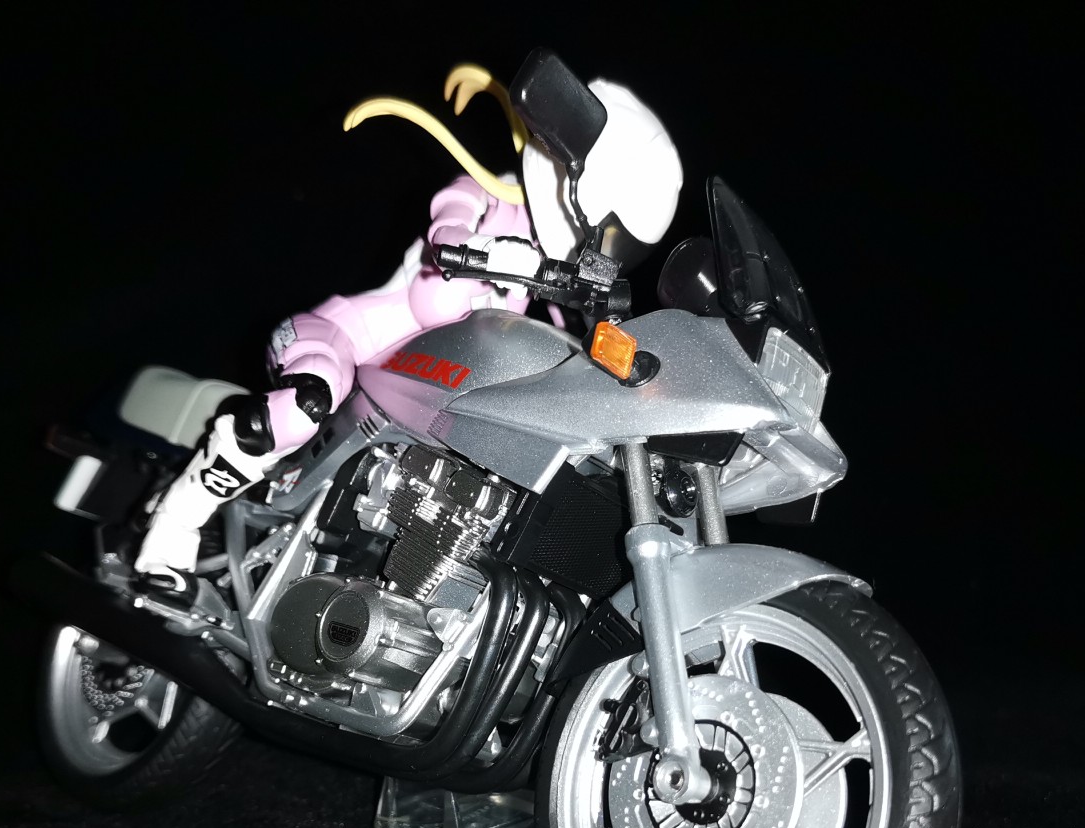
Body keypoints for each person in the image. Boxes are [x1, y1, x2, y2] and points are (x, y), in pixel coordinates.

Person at [133, 65, 683, 593]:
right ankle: (172, 527)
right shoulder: (489, 197)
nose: (607, 245)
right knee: (306, 403)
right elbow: (445, 240)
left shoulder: (551, 276)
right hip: (346, 342)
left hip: (422, 389)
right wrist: (487, 250)